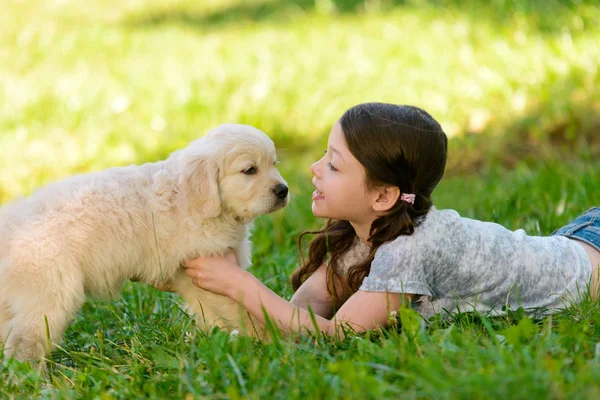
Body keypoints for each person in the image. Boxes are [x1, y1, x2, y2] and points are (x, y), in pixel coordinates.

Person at [176, 102, 600, 336]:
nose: (314, 169)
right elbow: (304, 310)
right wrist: (236, 312)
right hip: (575, 238)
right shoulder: (368, 231)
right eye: (325, 155)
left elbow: (336, 335)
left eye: (335, 166)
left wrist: (241, 284)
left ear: (383, 195)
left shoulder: (409, 250)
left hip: (591, 274)